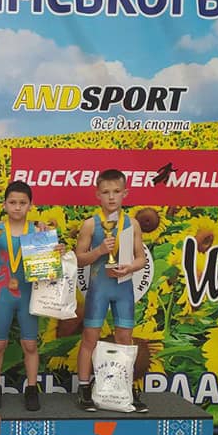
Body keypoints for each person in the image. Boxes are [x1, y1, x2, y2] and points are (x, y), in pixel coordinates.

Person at [74, 169, 148, 412]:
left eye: (116, 191)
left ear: (125, 193)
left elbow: (141, 259)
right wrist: (98, 252)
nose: (111, 197)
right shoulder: (90, 225)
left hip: (123, 288)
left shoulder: (132, 224)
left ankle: (126, 387)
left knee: (125, 339)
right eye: (106, 192)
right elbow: (78, 259)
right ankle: (84, 387)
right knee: (90, 337)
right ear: (97, 194)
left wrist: (130, 267)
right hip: (99, 289)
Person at [0, 181, 50, 412]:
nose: (17, 207)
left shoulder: (37, 231)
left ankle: (32, 389)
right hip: (3, 295)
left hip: (28, 294)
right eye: (12, 202)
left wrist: (53, 250)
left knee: (29, 343)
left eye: (22, 203)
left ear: (30, 205)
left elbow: (47, 266)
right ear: (4, 204)